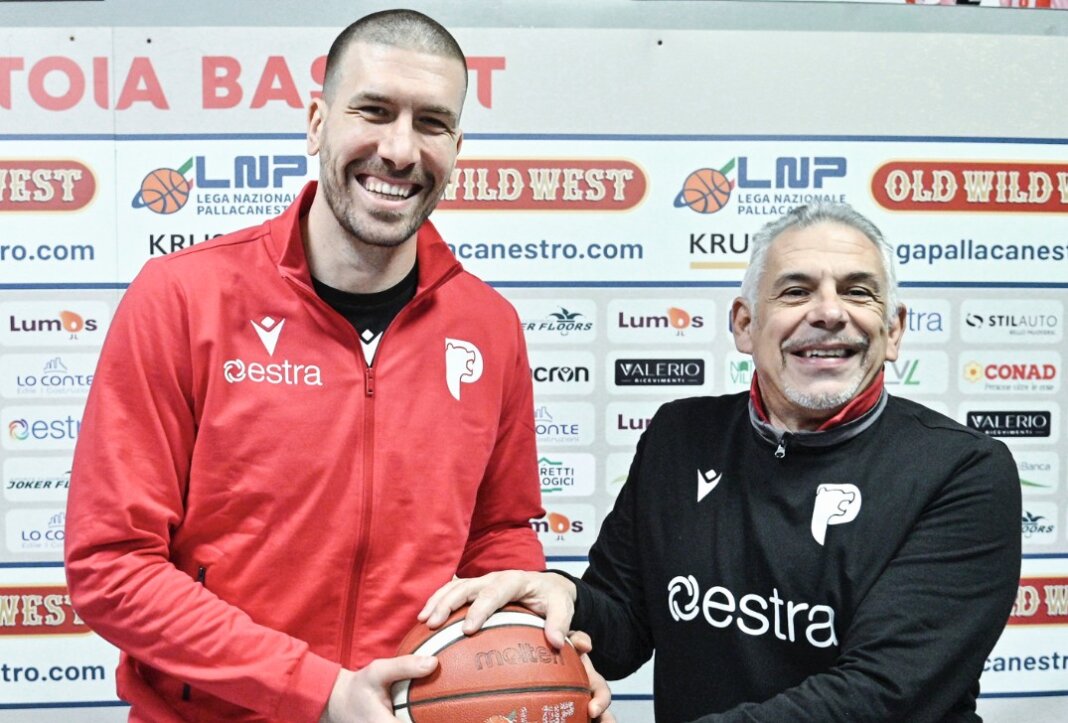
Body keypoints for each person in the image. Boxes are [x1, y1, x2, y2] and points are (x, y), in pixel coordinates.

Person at [65, 11, 610, 723]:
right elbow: (113, 565)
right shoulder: (183, 299)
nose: (400, 149)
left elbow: (497, 538)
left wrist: (542, 661)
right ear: (317, 122)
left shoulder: (489, 326)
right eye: (374, 111)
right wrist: (319, 690)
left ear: (456, 147)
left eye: (432, 123)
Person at [421, 202, 1022, 722]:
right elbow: (623, 628)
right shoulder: (680, 436)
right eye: (796, 291)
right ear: (744, 325)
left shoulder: (963, 471)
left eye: (858, 291)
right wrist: (560, 596)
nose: (829, 312)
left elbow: (883, 695)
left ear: (893, 332)